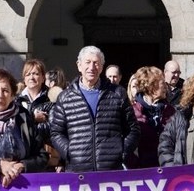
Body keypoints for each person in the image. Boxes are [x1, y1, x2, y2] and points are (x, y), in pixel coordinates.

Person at [49, 45, 139, 173]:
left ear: (102, 67)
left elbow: (133, 130)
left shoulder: (117, 94)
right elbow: (56, 133)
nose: (91, 67)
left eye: (96, 63)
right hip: (78, 172)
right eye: (87, 62)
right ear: (79, 65)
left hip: (111, 171)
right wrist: (70, 153)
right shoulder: (65, 98)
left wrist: (121, 153)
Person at [129, 66, 175, 168]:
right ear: (151, 86)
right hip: (140, 170)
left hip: (166, 168)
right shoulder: (132, 111)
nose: (166, 87)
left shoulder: (171, 111)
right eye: (162, 83)